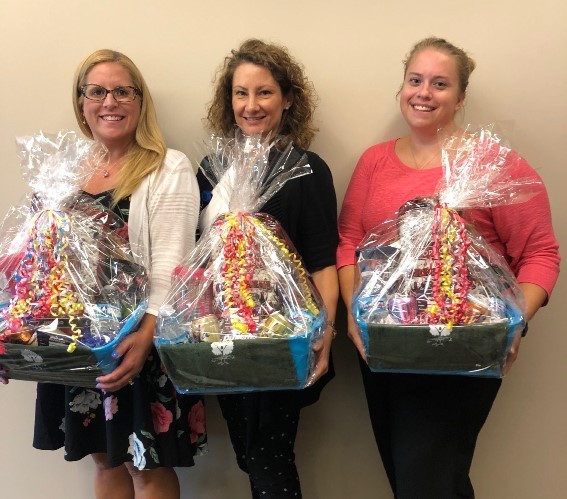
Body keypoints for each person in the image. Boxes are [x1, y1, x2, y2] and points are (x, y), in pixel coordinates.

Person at [337, 37, 560, 499]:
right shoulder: (374, 162)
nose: (424, 92)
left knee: (427, 479)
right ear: (401, 88)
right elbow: (349, 244)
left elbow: (540, 253)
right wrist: (355, 315)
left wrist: (513, 324)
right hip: (386, 338)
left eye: (440, 84)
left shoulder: (492, 165)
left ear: (460, 98)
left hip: (465, 340)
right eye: (415, 80)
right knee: (411, 475)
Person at [30, 50, 207, 499]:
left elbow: (174, 259)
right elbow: (40, 263)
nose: (110, 101)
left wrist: (147, 332)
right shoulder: (62, 172)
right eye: (97, 91)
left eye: (122, 91)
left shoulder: (168, 166)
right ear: (82, 102)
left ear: (139, 100)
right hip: (74, 339)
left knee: (146, 467)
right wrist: (20, 332)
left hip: (138, 340)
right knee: (105, 460)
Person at [198, 38, 339, 498]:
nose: (251, 105)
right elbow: (197, 256)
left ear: (288, 99)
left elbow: (322, 261)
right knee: (249, 453)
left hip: (283, 337)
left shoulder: (306, 170)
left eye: (264, 92)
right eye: (241, 93)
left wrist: (326, 331)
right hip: (221, 337)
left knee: (269, 456)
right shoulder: (211, 168)